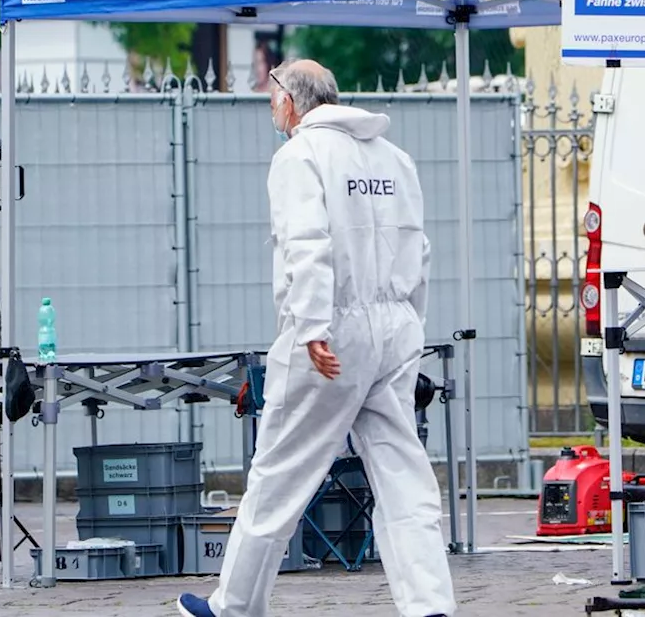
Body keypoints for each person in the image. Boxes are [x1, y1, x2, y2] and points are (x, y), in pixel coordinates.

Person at [177, 59, 456, 617]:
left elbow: (307, 242)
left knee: (280, 470)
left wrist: (309, 327)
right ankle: (430, 606)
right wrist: (410, 325)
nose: (270, 110)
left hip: (334, 328)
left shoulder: (299, 156)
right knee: (403, 473)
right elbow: (417, 251)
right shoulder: (393, 159)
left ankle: (234, 606)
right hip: (397, 327)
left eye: (270, 98)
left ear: (288, 99)